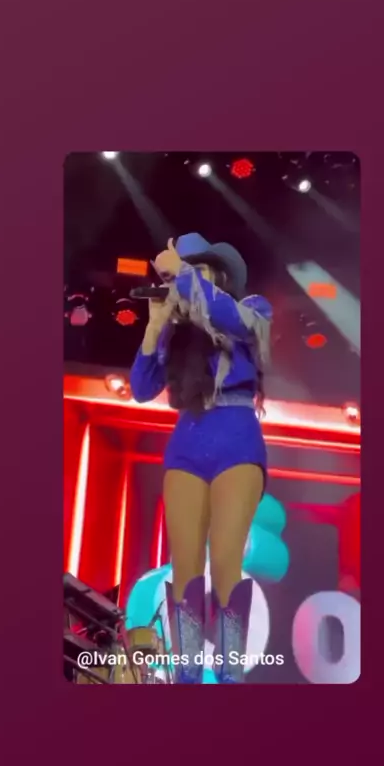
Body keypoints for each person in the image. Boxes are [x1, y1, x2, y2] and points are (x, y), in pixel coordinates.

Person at [130, 233, 272, 684]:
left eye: (195, 270)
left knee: (226, 558)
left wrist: (183, 274)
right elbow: (141, 389)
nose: (182, 281)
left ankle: (229, 676)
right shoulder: (180, 334)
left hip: (236, 438)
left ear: (220, 276)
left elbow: (227, 317)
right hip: (188, 442)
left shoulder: (252, 308)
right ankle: (188, 674)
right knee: (185, 564)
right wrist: (155, 327)